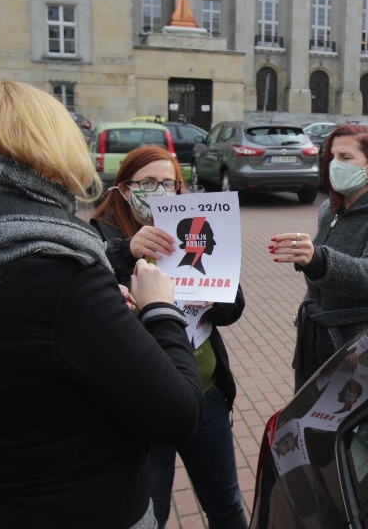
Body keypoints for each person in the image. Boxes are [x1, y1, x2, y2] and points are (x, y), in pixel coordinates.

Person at [0, 79, 206, 529]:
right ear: (52, 152)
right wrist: (160, 309)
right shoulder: (63, 273)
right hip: (87, 509)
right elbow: (178, 414)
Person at [90, 146, 248, 529]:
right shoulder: (99, 234)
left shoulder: (197, 223)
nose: (159, 191)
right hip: (144, 400)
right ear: (125, 189)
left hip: (206, 391)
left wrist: (216, 299)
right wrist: (127, 251)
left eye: (168, 183)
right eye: (147, 182)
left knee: (225, 503)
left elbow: (233, 307)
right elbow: (93, 287)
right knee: (152, 511)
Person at [269, 124, 368, 390]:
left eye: (346, 158)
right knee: (307, 411)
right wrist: (309, 303)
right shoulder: (329, 208)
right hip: (315, 339)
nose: (336, 165)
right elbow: (323, 273)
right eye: (332, 157)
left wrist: (318, 259)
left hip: (358, 346)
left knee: (343, 416)